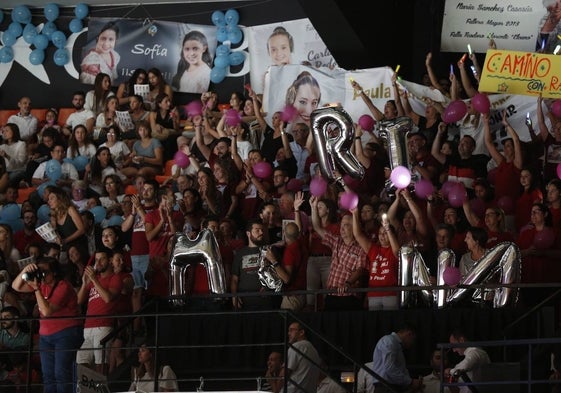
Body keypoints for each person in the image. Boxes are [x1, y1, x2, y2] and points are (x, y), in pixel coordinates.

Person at [12, 256, 84, 393]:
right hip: (46, 336)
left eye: (45, 272)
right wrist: (24, 271)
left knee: (61, 373)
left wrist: (36, 290)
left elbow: (46, 311)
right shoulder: (41, 284)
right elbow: (16, 286)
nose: (41, 275)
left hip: (66, 333)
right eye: (39, 271)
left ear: (54, 272)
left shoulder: (63, 286)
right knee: (48, 375)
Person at [309, 195, 368, 311]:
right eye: (341, 225)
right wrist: (313, 207)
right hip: (331, 295)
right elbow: (317, 227)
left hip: (349, 296)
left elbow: (360, 269)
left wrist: (348, 283)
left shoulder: (361, 248)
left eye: (346, 225)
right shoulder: (337, 242)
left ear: (354, 228)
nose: (342, 228)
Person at [76, 249, 122, 374]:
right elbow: (79, 300)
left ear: (110, 260)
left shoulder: (115, 278)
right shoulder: (93, 280)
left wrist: (94, 280)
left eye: (102, 259)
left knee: (101, 362)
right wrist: (84, 283)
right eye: (96, 260)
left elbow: (108, 298)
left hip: (104, 324)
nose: (98, 262)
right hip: (88, 326)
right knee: (81, 360)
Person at [231, 219, 276, 310]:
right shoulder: (240, 253)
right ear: (248, 233)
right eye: (257, 230)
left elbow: (277, 274)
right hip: (245, 302)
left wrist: (268, 287)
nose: (261, 232)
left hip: (265, 301)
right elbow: (234, 278)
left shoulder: (269, 251)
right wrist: (234, 296)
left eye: (262, 230)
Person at [371, 323, 424, 393]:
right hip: (386, 388)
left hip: (389, 387)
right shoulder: (390, 341)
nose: (412, 343)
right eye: (413, 340)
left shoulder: (395, 344)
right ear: (409, 334)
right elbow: (390, 368)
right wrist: (410, 382)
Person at [445, 328, 491, 393]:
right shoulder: (474, 352)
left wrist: (450, 371)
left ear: (461, 340)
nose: (454, 350)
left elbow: (465, 365)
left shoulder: (475, 352)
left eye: (454, 346)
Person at [284, 321, 321, 393]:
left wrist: (273, 382)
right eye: (288, 331)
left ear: (301, 332)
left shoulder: (296, 346)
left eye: (291, 330)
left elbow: (284, 374)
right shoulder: (314, 350)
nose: (288, 333)